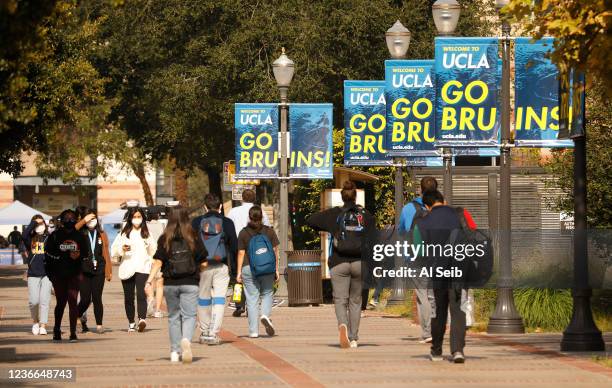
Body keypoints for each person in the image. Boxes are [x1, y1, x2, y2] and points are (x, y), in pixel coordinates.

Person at [306, 180, 375, 349]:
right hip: (360, 262)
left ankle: (342, 325)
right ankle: (353, 338)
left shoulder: (335, 214)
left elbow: (310, 220)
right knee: (356, 301)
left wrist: (328, 227)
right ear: (355, 195)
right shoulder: (365, 215)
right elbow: (374, 235)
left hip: (338, 263)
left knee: (340, 299)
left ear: (342, 197)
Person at [413, 190, 476, 363]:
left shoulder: (423, 222)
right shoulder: (461, 214)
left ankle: (437, 351)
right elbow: (474, 235)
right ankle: (457, 351)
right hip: (459, 270)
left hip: (437, 272)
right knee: (458, 310)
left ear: (427, 205)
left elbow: (418, 250)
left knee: (438, 311)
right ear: (443, 200)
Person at [146, 206, 206, 363]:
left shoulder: (165, 238)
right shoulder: (193, 236)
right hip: (190, 282)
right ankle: (186, 339)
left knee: (173, 317)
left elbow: (158, 261)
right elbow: (204, 262)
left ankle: (174, 352)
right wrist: (199, 270)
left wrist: (149, 280)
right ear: (187, 217)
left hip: (170, 283)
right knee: (189, 315)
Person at [397, 176, 439, 343]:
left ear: (420, 189)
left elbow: (401, 231)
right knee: (433, 295)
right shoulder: (441, 207)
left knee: (422, 295)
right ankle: (436, 329)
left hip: (416, 256)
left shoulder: (409, 208)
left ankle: (427, 332)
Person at [192, 193, 238, 345]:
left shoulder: (197, 222)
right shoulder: (227, 222)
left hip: (202, 266)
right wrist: (234, 270)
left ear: (205, 206)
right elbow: (234, 247)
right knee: (219, 299)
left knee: (203, 298)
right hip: (221, 265)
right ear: (220, 207)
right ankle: (213, 332)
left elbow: (190, 244)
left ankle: (204, 330)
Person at [45, 209, 89, 342]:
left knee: (73, 302)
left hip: (74, 274)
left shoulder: (80, 236)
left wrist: (78, 255)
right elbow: (48, 254)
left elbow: (86, 254)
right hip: (59, 274)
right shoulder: (55, 235)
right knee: (61, 303)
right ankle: (56, 329)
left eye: (72, 218)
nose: (69, 220)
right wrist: (60, 259)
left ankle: (72, 332)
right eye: (67, 218)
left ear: (76, 219)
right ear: (62, 220)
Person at [236, 205, 279, 338]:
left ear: (249, 217)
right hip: (267, 267)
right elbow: (275, 251)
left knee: (251, 298)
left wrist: (238, 273)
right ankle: (265, 315)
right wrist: (276, 269)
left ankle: (253, 331)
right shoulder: (269, 231)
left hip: (249, 268)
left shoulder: (243, 233)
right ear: (262, 217)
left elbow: (241, 253)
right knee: (267, 293)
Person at [111, 207, 157, 333]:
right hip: (127, 267)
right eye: (134, 217)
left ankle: (142, 319)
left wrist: (149, 246)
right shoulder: (124, 233)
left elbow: (154, 250)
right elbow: (114, 250)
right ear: (130, 218)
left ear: (142, 218)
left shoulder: (147, 233)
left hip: (143, 268)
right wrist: (122, 249)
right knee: (129, 297)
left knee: (141, 295)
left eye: (139, 217)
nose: (137, 219)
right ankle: (131, 322)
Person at [228, 189, 270, 317]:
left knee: (238, 275)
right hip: (257, 246)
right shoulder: (260, 211)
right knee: (255, 274)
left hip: (238, 245)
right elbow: (267, 226)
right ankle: (254, 303)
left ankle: (239, 305)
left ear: (242, 198)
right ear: (254, 198)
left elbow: (229, 227)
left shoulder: (233, 211)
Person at [76, 208, 112, 334]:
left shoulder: (101, 233)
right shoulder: (80, 233)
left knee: (97, 297)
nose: (92, 221)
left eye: (93, 218)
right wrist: (82, 221)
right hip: (83, 269)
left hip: (99, 269)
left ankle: (99, 325)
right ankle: (77, 315)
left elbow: (106, 253)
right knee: (85, 298)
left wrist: (108, 270)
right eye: (89, 219)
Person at [22, 215, 52, 336]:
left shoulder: (49, 238)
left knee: (45, 300)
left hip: (47, 274)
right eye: (37, 224)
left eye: (41, 224)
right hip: (33, 273)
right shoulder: (30, 238)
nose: (40, 226)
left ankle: (43, 325)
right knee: (34, 301)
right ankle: (35, 322)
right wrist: (34, 223)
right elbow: (24, 234)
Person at [147, 210, 165, 318]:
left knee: (150, 282)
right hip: (160, 258)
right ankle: (157, 310)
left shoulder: (145, 227)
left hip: (148, 259)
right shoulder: (162, 226)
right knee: (160, 285)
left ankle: (150, 299)